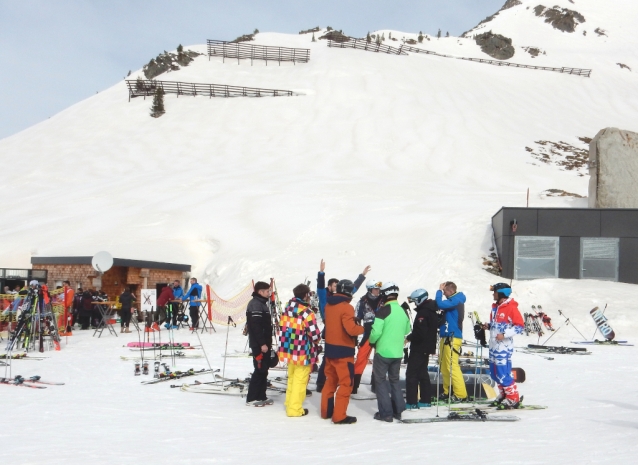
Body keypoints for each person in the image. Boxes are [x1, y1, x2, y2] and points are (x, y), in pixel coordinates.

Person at [315, 260, 369, 392]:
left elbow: (353, 289)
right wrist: (321, 273)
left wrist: (362, 276)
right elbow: (320, 288)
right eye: (334, 285)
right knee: (328, 360)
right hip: (330, 327)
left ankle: (331, 382)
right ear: (329, 287)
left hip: (339, 327)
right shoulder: (325, 299)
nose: (337, 287)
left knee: (332, 359)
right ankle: (321, 382)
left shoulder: (342, 300)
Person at [320, 279, 364, 424]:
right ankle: (339, 416)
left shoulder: (328, 304)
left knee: (330, 381)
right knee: (346, 384)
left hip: (330, 349)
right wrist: (365, 329)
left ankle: (326, 411)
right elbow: (351, 329)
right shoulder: (347, 307)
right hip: (344, 351)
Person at [369, 282, 411, 422]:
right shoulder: (402, 311)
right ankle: (399, 411)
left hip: (383, 352)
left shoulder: (383, 310)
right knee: (394, 381)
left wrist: (371, 341)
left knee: (380, 381)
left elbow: (376, 332)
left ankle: (386, 413)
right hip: (397, 353)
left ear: (385, 294)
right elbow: (407, 330)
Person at [278, 284, 321, 417]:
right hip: (302, 350)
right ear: (306, 295)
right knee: (300, 380)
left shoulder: (288, 307)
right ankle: (294, 409)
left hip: (288, 348)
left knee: (292, 377)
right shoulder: (307, 313)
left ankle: (289, 403)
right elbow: (314, 334)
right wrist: (317, 340)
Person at [486, 283, 524, 409]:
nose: (493, 294)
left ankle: (513, 398)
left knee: (503, 373)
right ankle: (504, 395)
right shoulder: (496, 307)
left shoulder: (511, 307)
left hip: (503, 347)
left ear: (501, 293)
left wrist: (505, 334)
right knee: (494, 373)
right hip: (493, 345)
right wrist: (488, 326)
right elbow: (497, 325)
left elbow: (519, 326)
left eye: (495, 292)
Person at [405, 289, 439, 409]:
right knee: (422, 373)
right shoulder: (431, 310)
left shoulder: (423, 313)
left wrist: (408, 338)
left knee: (411, 374)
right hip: (426, 347)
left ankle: (411, 401)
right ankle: (425, 399)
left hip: (420, 347)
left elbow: (420, 332)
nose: (414, 304)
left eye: (415, 301)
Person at [435, 281, 467, 402]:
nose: (443, 293)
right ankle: (447, 391)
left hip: (453, 337)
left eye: (444, 291)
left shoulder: (456, 299)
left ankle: (460, 394)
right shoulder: (452, 300)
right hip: (446, 336)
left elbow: (440, 304)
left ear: (450, 290)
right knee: (444, 366)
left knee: (452, 366)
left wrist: (438, 291)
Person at [352, 279, 383, 393]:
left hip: (381, 333)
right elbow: (356, 318)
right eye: (376, 289)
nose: (378, 291)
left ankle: (375, 385)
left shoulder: (383, 300)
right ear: (370, 289)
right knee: (361, 358)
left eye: (379, 289)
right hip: (368, 333)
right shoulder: (362, 301)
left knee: (379, 360)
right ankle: (354, 386)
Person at [246, 281, 274, 406]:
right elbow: (256, 327)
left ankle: (261, 396)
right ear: (260, 292)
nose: (269, 293)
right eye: (267, 291)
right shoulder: (255, 305)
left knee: (264, 369)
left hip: (265, 343)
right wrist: (262, 343)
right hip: (259, 344)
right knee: (259, 370)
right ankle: (252, 398)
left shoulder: (262, 303)